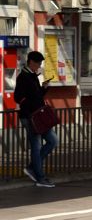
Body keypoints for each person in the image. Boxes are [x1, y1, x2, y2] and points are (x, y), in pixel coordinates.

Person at [14, 51, 57, 187]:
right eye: (38, 63)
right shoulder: (23, 77)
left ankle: (32, 167)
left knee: (53, 141)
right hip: (30, 117)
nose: (39, 66)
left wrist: (43, 89)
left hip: (38, 116)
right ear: (31, 62)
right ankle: (40, 178)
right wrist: (31, 107)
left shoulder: (33, 76)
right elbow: (18, 97)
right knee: (36, 146)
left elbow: (37, 96)